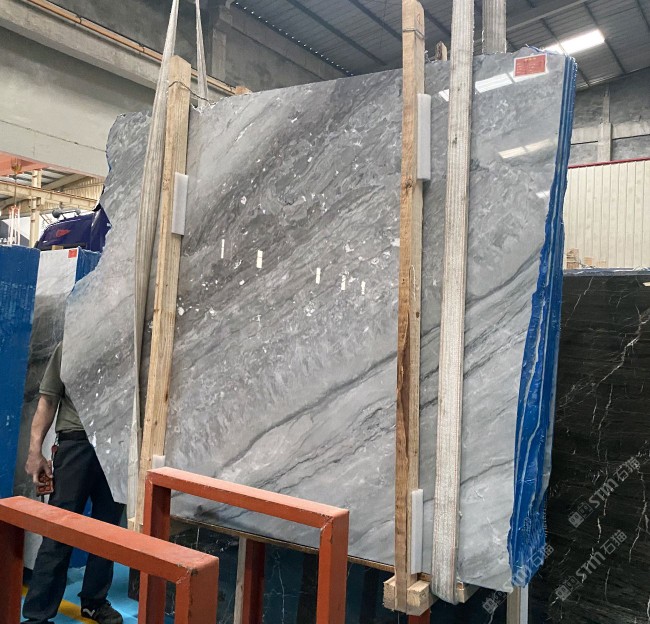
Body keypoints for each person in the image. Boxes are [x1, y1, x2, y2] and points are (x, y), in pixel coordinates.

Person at [22, 342, 124, 624]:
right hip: (76, 441)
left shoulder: (131, 339)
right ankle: (37, 616)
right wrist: (34, 452)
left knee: (107, 531)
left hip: (118, 441)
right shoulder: (70, 343)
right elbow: (48, 399)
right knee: (59, 529)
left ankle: (94, 602)